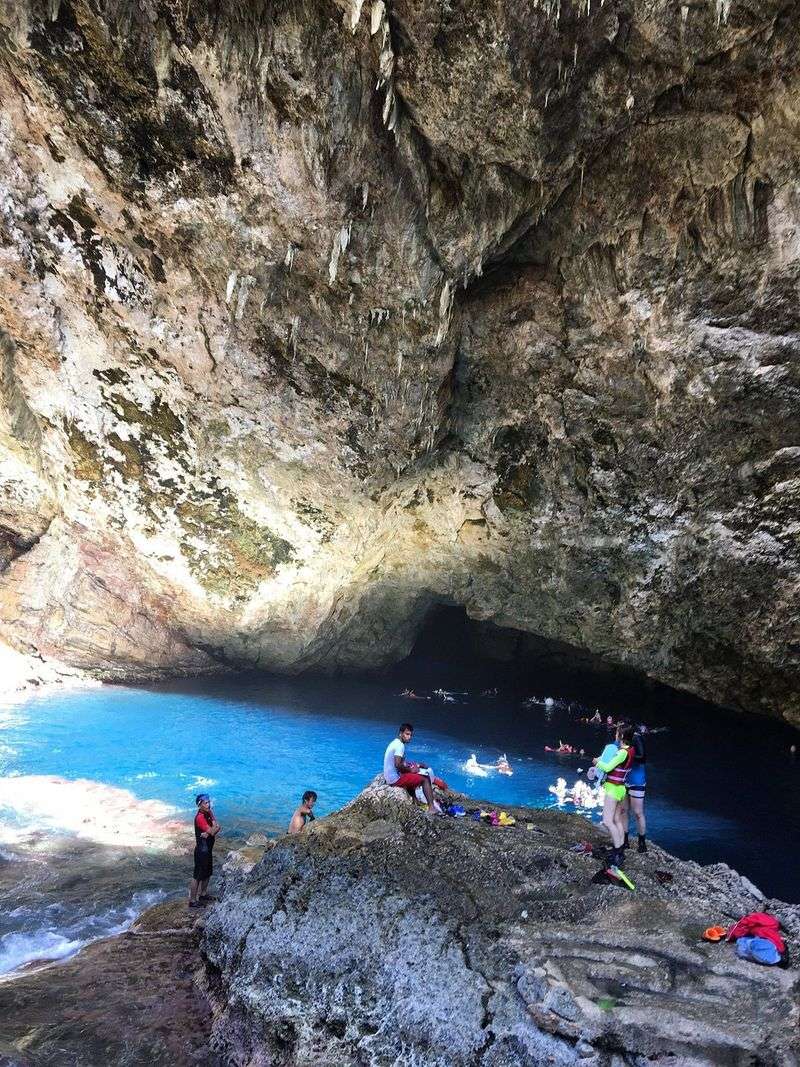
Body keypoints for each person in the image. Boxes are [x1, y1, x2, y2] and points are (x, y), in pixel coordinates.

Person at [592, 724, 635, 869]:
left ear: (621, 736)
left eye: (617, 732)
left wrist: (598, 762)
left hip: (613, 789)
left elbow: (607, 767)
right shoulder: (631, 750)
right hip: (621, 789)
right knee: (617, 820)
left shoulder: (621, 753)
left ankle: (617, 853)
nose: (615, 734)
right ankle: (621, 850)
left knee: (607, 821)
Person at [383, 723, 443, 811]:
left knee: (411, 775)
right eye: (407, 734)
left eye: (410, 735)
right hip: (394, 779)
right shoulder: (400, 745)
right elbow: (398, 765)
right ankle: (432, 808)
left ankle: (415, 800)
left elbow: (400, 763)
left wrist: (415, 766)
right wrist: (412, 770)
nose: (409, 737)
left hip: (390, 777)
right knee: (425, 779)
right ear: (401, 733)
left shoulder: (395, 742)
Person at [188, 793, 220, 909]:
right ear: (199, 805)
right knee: (197, 875)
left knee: (207, 873)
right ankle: (192, 900)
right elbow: (213, 830)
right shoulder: (200, 818)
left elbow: (217, 827)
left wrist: (209, 831)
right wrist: (211, 830)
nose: (208, 804)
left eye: (209, 802)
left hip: (208, 849)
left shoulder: (209, 812)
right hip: (202, 851)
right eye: (206, 803)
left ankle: (203, 894)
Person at [623, 726, 648, 852]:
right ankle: (625, 840)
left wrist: (629, 755)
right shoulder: (621, 739)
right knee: (624, 810)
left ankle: (642, 843)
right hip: (624, 778)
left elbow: (642, 757)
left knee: (638, 813)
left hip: (637, 779)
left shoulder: (636, 737)